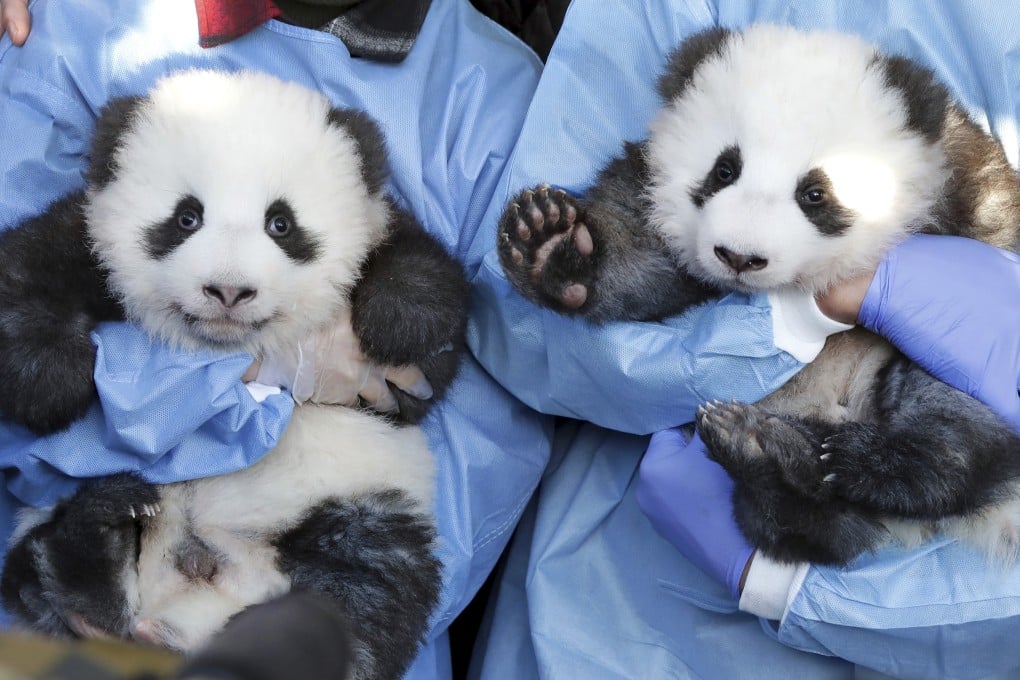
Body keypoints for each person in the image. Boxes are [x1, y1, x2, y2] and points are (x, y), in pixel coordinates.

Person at [467, 1, 1020, 678]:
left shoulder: (944, 158)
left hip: (930, 524)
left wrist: (792, 592)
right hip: (609, 610)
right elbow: (522, 345)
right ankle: (585, 264)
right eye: (725, 172)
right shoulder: (672, 34)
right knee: (635, 249)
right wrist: (794, 320)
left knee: (939, 440)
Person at [0, 2, 546, 679]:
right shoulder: (83, 24)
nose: (230, 280)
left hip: (302, 576)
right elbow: (19, 372)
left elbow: (487, 449)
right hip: (101, 597)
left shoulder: (488, 92)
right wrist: (252, 374)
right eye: (190, 217)